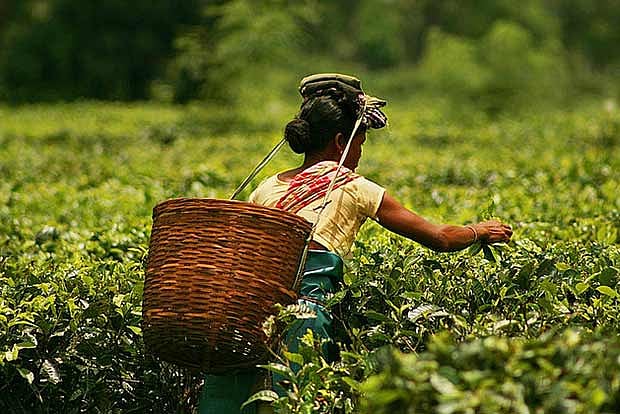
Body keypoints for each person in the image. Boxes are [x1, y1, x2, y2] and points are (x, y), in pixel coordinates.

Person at [198, 74, 513, 413]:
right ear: (340, 142)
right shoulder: (354, 187)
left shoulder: (267, 187)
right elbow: (439, 238)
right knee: (297, 403)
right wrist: (479, 230)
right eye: (359, 143)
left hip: (248, 316)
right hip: (304, 317)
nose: (360, 154)